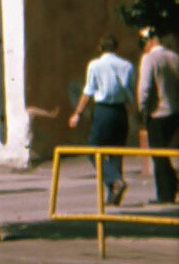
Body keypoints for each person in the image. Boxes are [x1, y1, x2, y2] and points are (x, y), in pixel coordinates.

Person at [68, 33, 137, 206]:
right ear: (117, 47)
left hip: (103, 111)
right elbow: (131, 91)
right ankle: (113, 195)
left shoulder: (95, 65)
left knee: (93, 150)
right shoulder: (127, 65)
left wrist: (77, 113)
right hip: (120, 111)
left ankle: (114, 180)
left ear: (100, 48)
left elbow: (88, 91)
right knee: (116, 152)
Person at [139, 26, 178, 206]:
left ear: (150, 40)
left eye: (143, 42)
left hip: (158, 113)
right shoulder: (174, 57)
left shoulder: (149, 59)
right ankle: (173, 184)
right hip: (175, 111)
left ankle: (165, 193)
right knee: (171, 152)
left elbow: (145, 88)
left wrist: (142, 109)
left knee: (158, 156)